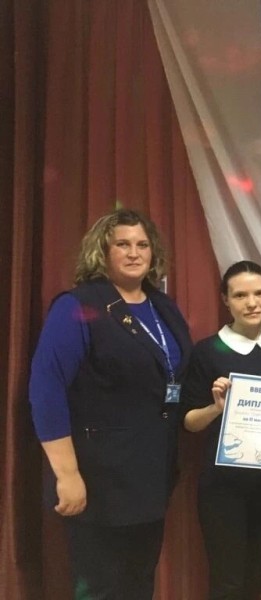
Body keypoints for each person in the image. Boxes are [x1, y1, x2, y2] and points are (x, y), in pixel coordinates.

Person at [28, 208, 192, 599]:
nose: (134, 253)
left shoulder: (162, 306)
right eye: (123, 244)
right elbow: (46, 389)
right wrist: (67, 474)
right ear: (102, 251)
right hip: (99, 477)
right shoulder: (78, 305)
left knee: (139, 583)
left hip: (151, 475)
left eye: (142, 244)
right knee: (101, 588)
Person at [181, 260, 261, 600]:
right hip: (223, 487)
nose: (252, 303)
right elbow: (188, 421)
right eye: (240, 295)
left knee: (257, 580)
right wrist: (215, 408)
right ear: (226, 300)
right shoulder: (207, 350)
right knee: (228, 584)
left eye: (259, 293)